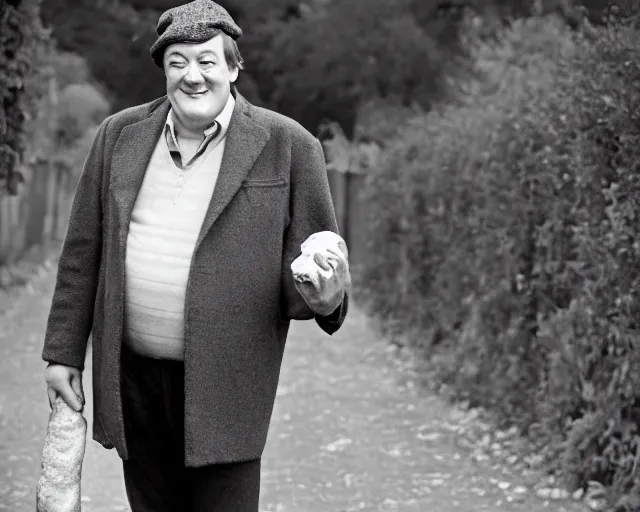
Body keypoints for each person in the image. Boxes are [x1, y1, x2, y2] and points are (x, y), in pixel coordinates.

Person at [40, 1, 350, 511]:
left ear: (232, 67)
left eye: (207, 60)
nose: (193, 76)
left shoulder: (289, 145)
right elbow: (82, 250)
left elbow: (321, 263)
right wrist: (63, 352)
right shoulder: (118, 136)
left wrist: (326, 298)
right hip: (134, 380)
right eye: (178, 61)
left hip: (230, 383)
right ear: (164, 70)